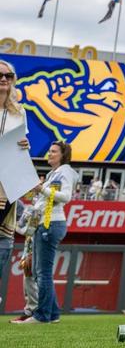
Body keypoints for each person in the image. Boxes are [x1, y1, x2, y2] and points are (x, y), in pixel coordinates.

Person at [16, 140, 78, 326]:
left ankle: (42, 315)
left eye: (53, 151)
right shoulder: (55, 173)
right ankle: (52, 314)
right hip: (45, 223)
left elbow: (65, 197)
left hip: (51, 224)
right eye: (49, 151)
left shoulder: (64, 171)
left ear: (63, 155)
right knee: (38, 272)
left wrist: (40, 188)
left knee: (42, 273)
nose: (49, 154)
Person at [0, 59, 30, 283]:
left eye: (8, 76)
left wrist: (25, 145)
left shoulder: (19, 112)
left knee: (4, 237)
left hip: (7, 180)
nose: (3, 79)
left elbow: (22, 141)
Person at [10, 202, 39, 323]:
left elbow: (27, 230)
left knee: (31, 280)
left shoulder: (36, 208)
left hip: (36, 248)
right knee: (27, 281)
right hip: (29, 247)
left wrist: (14, 225)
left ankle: (35, 310)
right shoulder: (30, 207)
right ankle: (29, 311)